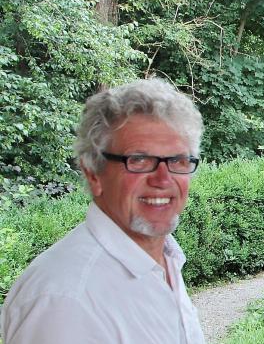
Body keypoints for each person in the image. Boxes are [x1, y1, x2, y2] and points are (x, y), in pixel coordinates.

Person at [1, 79, 206, 343]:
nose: (163, 179)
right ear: (93, 173)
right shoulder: (65, 302)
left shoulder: (165, 260)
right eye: (139, 160)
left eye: (178, 160)